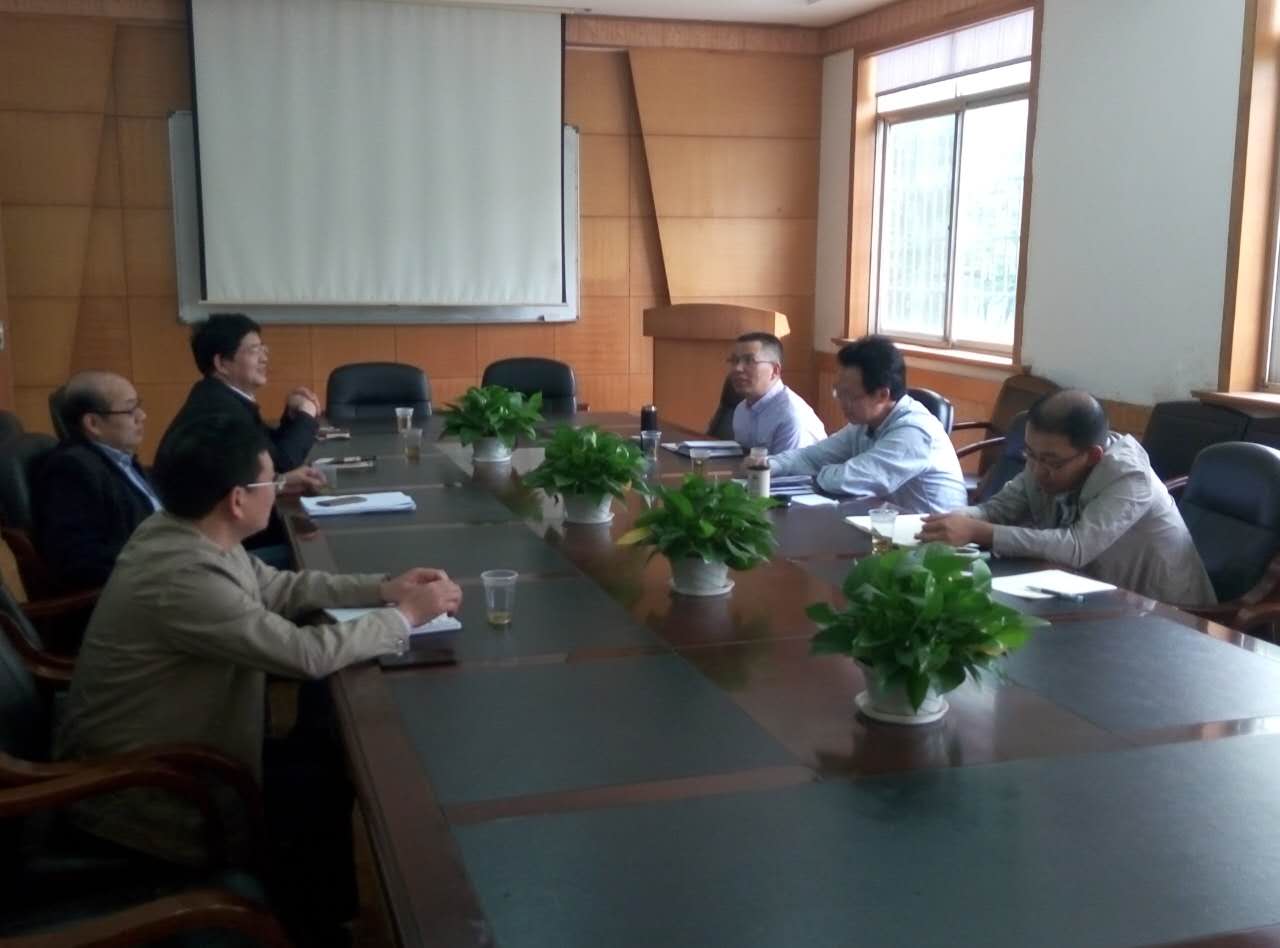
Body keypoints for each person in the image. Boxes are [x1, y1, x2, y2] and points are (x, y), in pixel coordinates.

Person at [55, 413, 462, 945]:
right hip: (149, 796)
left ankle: (316, 916)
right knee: (321, 765)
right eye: (270, 482)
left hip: (185, 755)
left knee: (323, 752)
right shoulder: (184, 576)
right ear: (237, 500)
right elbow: (303, 653)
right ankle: (310, 927)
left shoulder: (184, 532)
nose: (277, 490)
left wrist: (384, 588)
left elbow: (281, 588)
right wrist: (406, 617)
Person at [919, 389, 1216, 607]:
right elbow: (996, 510)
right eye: (1030, 454)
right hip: (1092, 595)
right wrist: (955, 520)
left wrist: (980, 531)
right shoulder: (1043, 460)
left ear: (1093, 456)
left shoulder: (1130, 478)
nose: (1037, 470)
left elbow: (1076, 547)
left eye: (1051, 462)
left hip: (1168, 614)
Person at [767, 336, 966, 511]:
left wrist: (820, 471)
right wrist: (767, 464)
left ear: (882, 395)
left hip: (934, 535)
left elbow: (848, 480)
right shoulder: (864, 423)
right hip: (887, 522)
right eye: (838, 392)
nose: (842, 403)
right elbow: (812, 456)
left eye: (850, 396)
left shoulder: (915, 431)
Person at [32, 371, 162, 592]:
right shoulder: (71, 470)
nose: (142, 416)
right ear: (93, 423)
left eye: (138, 406)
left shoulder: (122, 459)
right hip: (135, 592)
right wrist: (159, 567)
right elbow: (79, 559)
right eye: (130, 410)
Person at [163, 312, 322, 488]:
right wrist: (307, 412)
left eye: (263, 349)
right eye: (254, 350)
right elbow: (280, 463)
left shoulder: (218, 396)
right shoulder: (220, 410)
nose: (264, 358)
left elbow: (269, 449)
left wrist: (292, 418)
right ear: (221, 363)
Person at [727, 332, 826, 453]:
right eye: (734, 361)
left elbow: (788, 465)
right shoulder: (741, 410)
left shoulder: (791, 417)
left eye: (749, 361)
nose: (737, 368)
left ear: (775, 370)